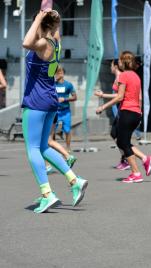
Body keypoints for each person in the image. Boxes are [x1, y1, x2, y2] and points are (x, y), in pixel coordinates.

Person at [22, 9, 87, 213]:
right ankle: (74, 180)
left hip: (36, 100)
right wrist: (49, 18)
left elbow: (26, 42)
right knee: (43, 147)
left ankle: (47, 194)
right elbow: (50, 29)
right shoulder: (55, 42)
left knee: (32, 148)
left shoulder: (42, 44)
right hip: (50, 99)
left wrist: (40, 19)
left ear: (41, 24)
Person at [96, 51, 151, 183]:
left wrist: (103, 107)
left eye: (120, 61)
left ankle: (136, 172)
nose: (118, 63)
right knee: (124, 141)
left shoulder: (124, 76)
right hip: (135, 113)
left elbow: (120, 97)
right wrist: (139, 112)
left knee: (122, 142)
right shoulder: (136, 76)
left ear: (124, 62)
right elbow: (138, 97)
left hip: (127, 112)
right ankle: (144, 161)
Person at [95, 60, 129, 170]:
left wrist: (103, 96)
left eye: (111, 65)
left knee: (119, 136)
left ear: (115, 66)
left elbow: (119, 96)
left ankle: (130, 158)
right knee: (115, 134)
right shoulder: (118, 77)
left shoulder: (120, 77)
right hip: (121, 108)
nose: (110, 68)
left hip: (124, 108)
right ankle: (125, 158)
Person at [53, 66, 76, 152]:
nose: (56, 74)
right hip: (55, 111)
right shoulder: (53, 84)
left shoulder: (68, 85)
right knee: (53, 131)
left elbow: (75, 97)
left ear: (62, 74)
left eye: (59, 72)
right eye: (56, 73)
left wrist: (65, 99)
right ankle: (53, 147)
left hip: (65, 111)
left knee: (67, 130)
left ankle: (68, 147)